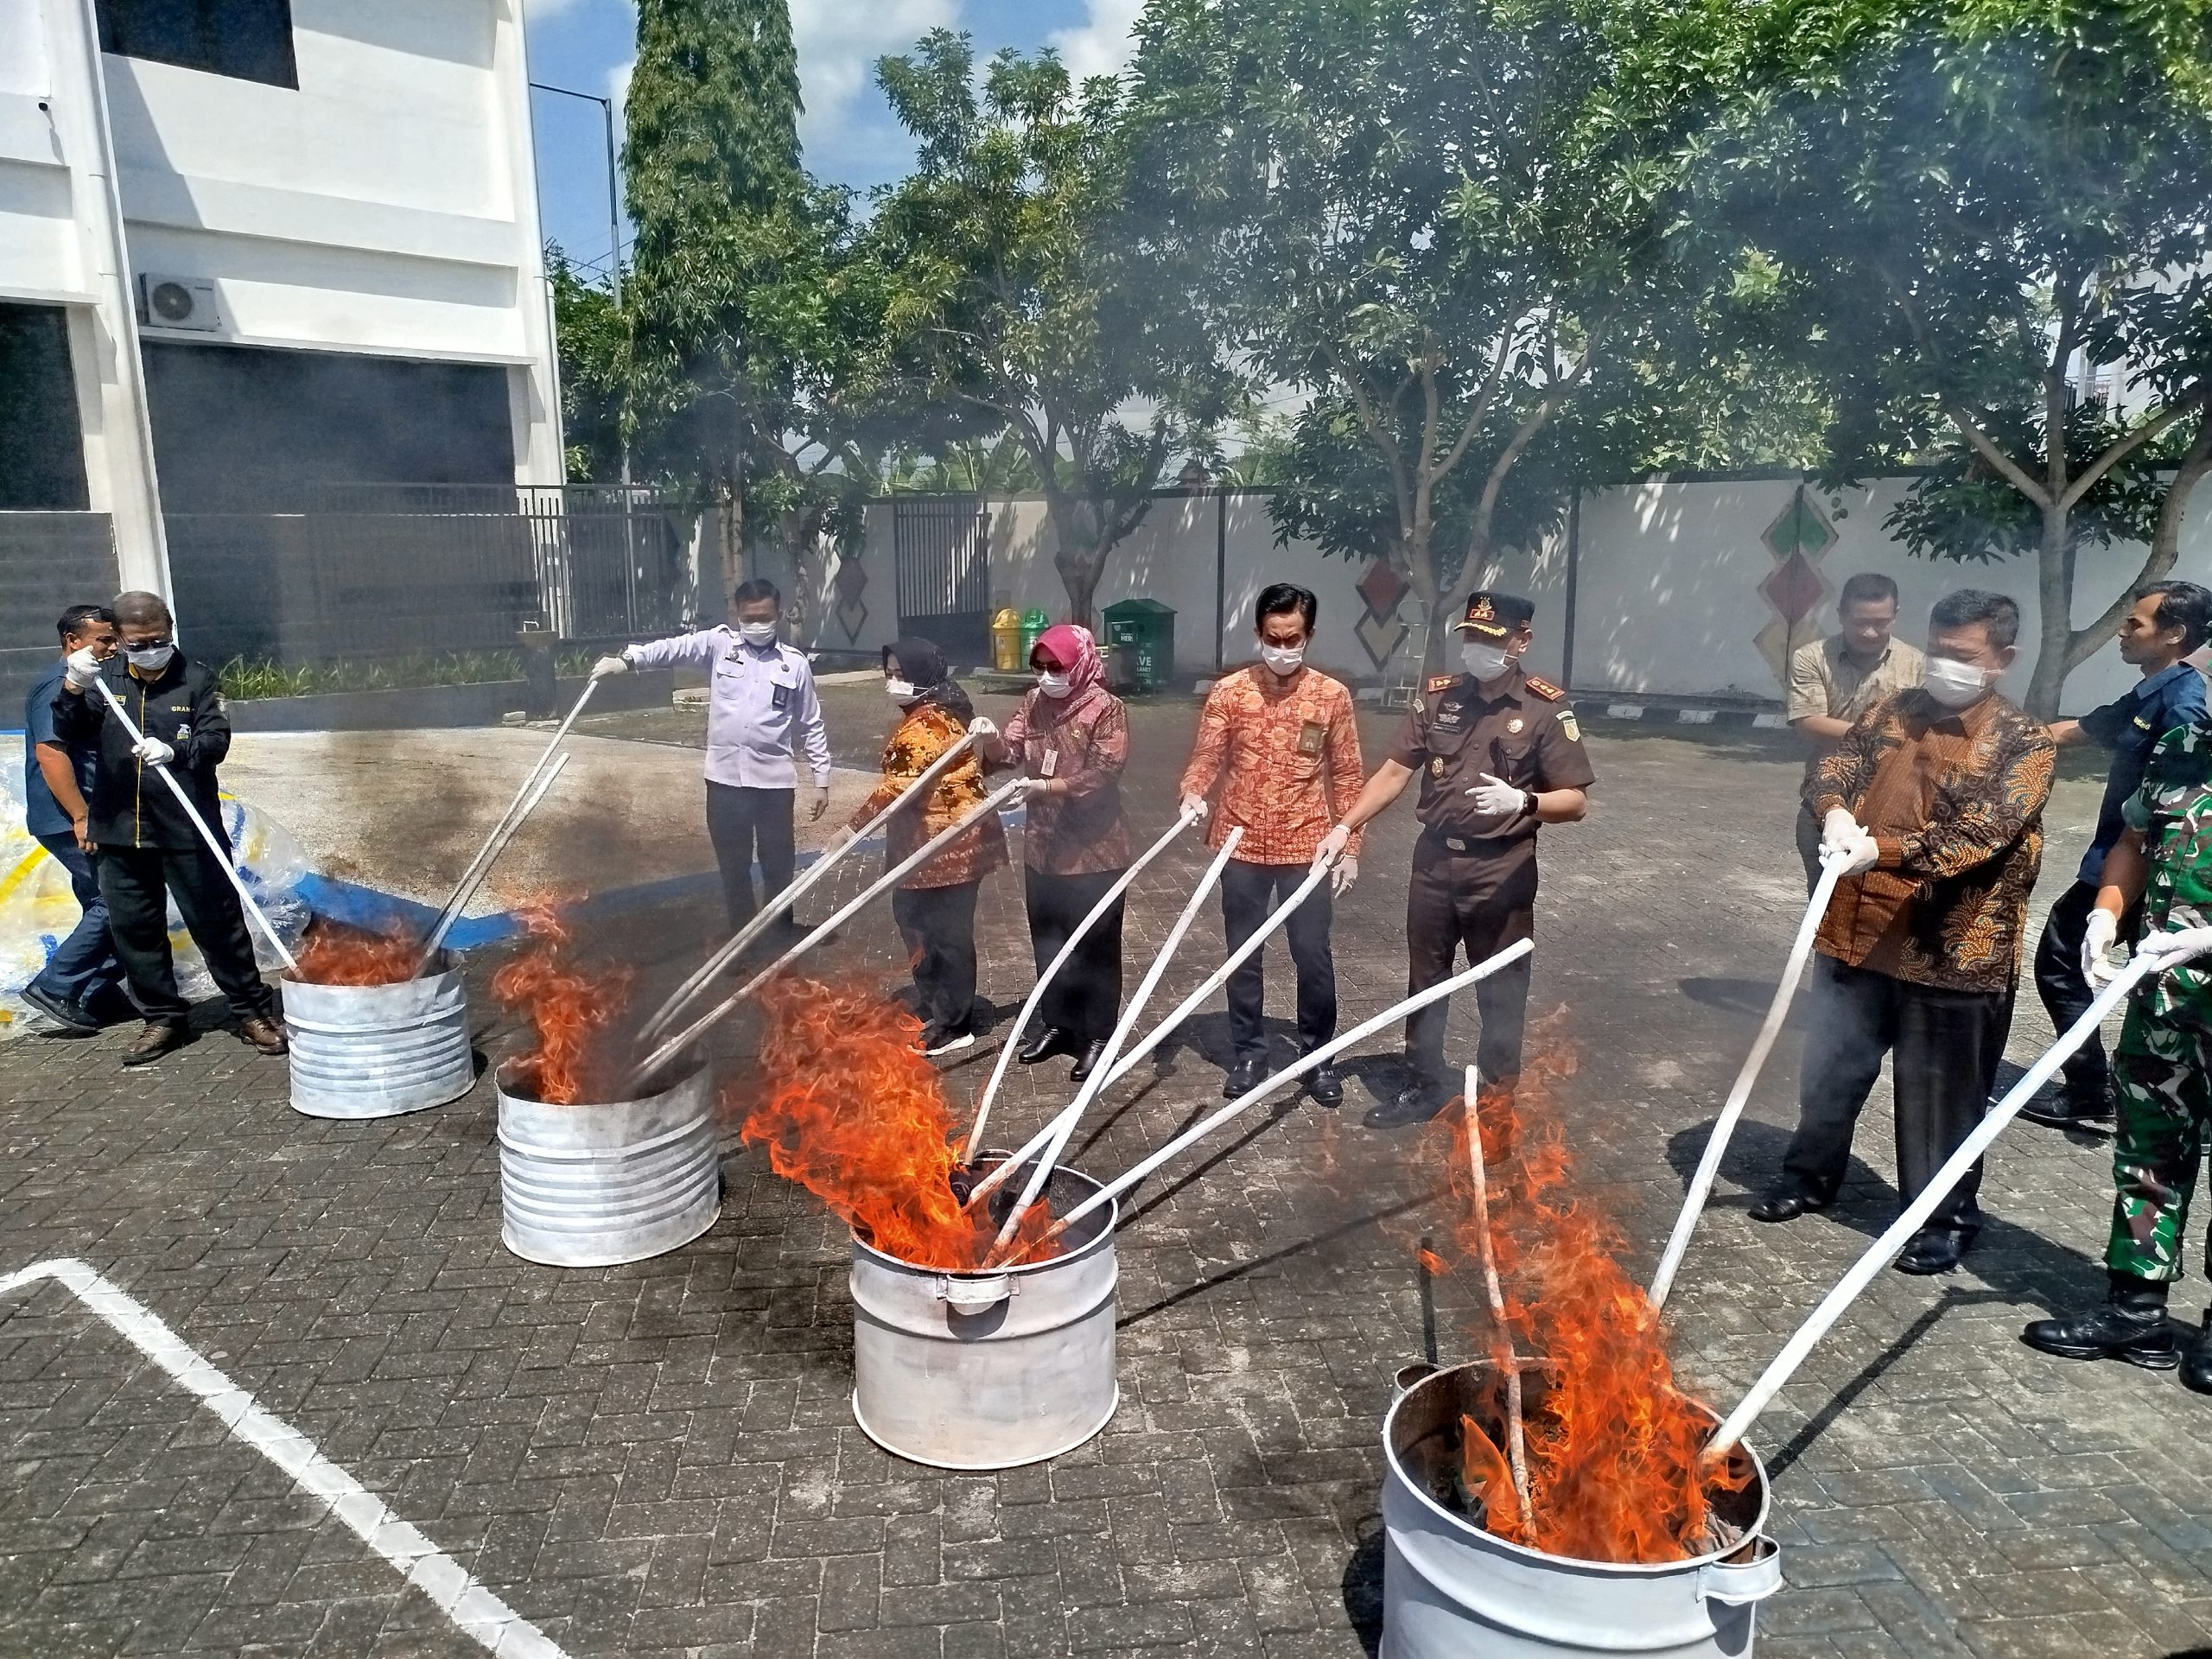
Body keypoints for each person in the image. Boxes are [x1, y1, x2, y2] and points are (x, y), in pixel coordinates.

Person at [1751, 589, 2054, 1276]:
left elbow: (1982, 835)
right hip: (1856, 930)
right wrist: (1831, 811)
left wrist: (1877, 851)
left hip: (1951, 949)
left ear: (2001, 660)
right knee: (1831, 1067)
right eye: (1938, 650)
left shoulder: (2024, 741)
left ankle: (1940, 1218)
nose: (1944, 666)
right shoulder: (1892, 711)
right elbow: (1837, 764)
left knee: (1942, 1095)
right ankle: (1809, 1177)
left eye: (1963, 656)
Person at [1320, 593, 1593, 1129]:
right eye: (1471, 637)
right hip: (1434, 864)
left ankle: (1497, 1102)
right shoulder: (1440, 697)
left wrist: (1525, 802)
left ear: (1522, 640)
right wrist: (1345, 825)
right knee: (1425, 980)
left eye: (1490, 640)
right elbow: (1396, 772)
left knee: (1501, 986)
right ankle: (1422, 1084)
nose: (1477, 649)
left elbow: (1577, 801)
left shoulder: (1545, 708)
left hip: (1502, 870)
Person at [2023, 716, 2212, 1385]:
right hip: (2162, 998)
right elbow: (2136, 839)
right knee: (2148, 1152)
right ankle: (2136, 1311)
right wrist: (2108, 909)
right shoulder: (2185, 744)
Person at [52, 590, 287, 1065]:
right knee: (135, 930)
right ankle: (162, 1018)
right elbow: (70, 733)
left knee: (218, 923)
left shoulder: (196, 680)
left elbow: (215, 742)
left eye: (157, 639)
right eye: (137, 643)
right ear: (118, 639)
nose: (148, 649)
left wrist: (174, 752)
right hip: (121, 828)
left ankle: (250, 1011)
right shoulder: (104, 680)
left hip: (187, 826)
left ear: (170, 629)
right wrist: (74, 687)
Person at [2020, 581, 2210, 1129]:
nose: (2122, 632)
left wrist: (2130, 893)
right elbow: (2082, 728)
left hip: (2150, 869)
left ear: (2174, 634)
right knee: (2082, 964)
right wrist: (2000, 736)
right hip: (2115, 854)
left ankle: (2091, 1089)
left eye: (2136, 624)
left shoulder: (2188, 702)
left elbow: (2176, 813)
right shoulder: (2154, 687)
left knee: (2064, 963)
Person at [1178, 583, 1363, 1106]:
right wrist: (1193, 791)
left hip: (1308, 845)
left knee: (1312, 955)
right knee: (1243, 954)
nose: (1283, 648)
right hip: (1240, 843)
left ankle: (1316, 1056)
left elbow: (1348, 774)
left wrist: (1351, 843)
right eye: (1273, 637)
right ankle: (1249, 1052)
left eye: (1294, 638)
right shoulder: (1231, 692)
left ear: (1309, 635)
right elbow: (1206, 756)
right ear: (1259, 634)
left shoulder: (1331, 697)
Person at [594, 579, 831, 936]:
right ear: (736, 615)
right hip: (724, 783)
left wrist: (822, 780)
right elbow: (673, 649)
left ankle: (779, 942)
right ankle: (742, 942)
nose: (757, 624)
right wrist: (627, 661)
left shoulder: (794, 664)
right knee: (733, 868)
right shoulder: (720, 645)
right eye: (749, 618)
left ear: (778, 615)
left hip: (774, 785)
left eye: (765, 617)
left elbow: (811, 723)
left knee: (778, 868)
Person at [981, 624, 1130, 1084]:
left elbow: (1105, 770)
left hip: (1095, 853)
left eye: (1057, 667)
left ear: (1079, 664)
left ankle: (1098, 1036)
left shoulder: (1107, 708)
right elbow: (1009, 750)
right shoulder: (1035, 702)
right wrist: (986, 740)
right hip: (1044, 848)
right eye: (1041, 667)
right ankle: (1058, 1025)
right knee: (1048, 940)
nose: (1048, 676)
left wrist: (1046, 785)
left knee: (1095, 949)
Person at [849, 637, 1007, 1055]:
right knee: (914, 920)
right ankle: (937, 1003)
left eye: (902, 676)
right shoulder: (925, 712)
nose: (893, 684)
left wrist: (851, 830)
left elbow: (897, 789)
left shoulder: (929, 723)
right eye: (889, 675)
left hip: (952, 844)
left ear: (923, 676)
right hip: (922, 843)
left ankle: (956, 1024)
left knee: (946, 931)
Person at [18, 605, 128, 1035]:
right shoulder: (55, 685)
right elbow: (51, 752)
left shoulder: (90, 683)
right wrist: (81, 817)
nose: (112, 647)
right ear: (73, 641)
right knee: (116, 899)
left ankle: (95, 992)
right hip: (69, 817)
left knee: (99, 900)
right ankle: (55, 986)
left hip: (85, 814)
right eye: (104, 639)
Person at [1785, 572, 1925, 892]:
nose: (1870, 631)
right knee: (1825, 910)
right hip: (1825, 803)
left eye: (1881, 622)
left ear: (1895, 615)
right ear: (1841, 615)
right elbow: (1809, 724)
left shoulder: (1916, 664)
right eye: (1860, 621)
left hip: (1894, 810)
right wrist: (1885, 736)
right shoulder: (1813, 658)